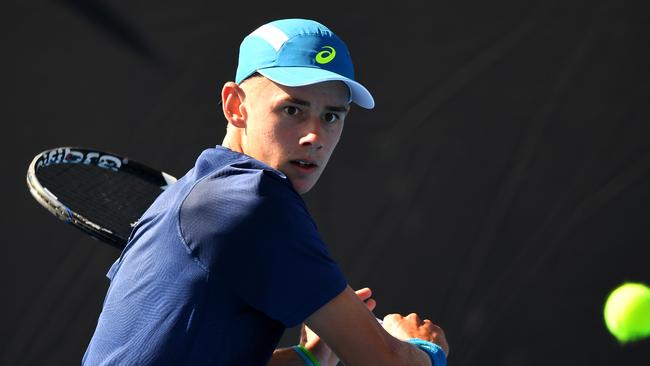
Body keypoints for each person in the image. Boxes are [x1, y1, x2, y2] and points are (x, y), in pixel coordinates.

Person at [83, 18, 449, 365]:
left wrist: (311, 358)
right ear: (235, 106)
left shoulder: (195, 193)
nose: (315, 137)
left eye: (332, 116)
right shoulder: (251, 201)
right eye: (292, 110)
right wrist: (425, 348)